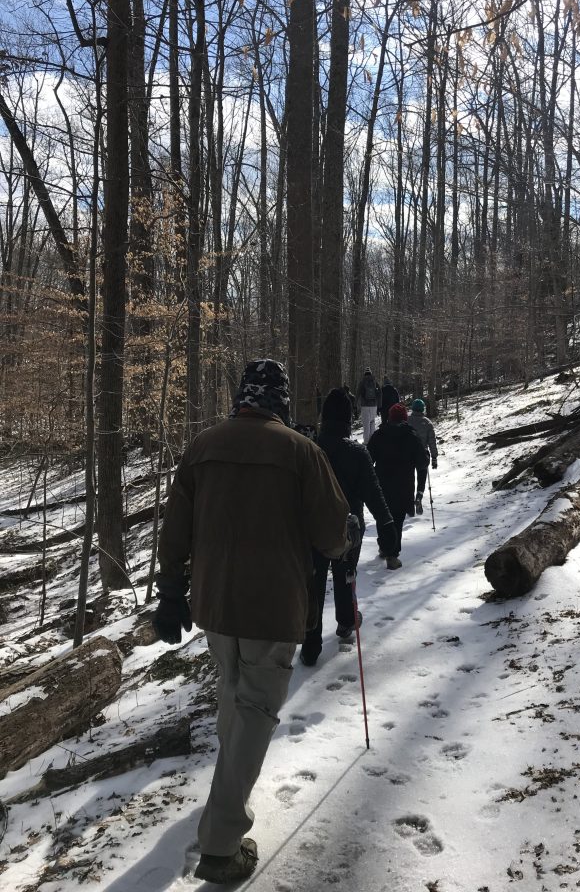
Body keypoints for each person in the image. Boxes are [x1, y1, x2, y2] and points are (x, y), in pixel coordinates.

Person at [153, 359, 349, 885]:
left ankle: (223, 798)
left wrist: (171, 591)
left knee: (234, 697)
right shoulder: (301, 452)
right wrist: (342, 537)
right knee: (255, 712)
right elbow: (332, 534)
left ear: (241, 398)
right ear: (281, 402)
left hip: (215, 606)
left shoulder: (202, 447)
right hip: (273, 607)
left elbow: (174, 531)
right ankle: (220, 844)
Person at [301, 388, 398, 666]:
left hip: (313, 531)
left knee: (315, 584)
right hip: (348, 531)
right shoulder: (357, 452)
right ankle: (345, 623)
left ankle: (311, 643)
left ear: (324, 417)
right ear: (348, 418)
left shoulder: (310, 450)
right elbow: (374, 492)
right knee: (346, 577)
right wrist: (387, 523)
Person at [367, 402, 429, 569]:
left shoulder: (379, 435)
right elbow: (422, 463)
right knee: (397, 520)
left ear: (389, 418)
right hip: (404, 486)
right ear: (404, 419)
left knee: (382, 517)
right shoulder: (411, 436)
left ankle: (384, 547)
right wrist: (427, 456)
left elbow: (368, 459)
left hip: (382, 485)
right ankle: (392, 555)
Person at [408, 398, 438, 515]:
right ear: (422, 409)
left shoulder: (407, 420)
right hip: (422, 454)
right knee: (422, 476)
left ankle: (409, 503)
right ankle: (419, 496)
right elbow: (432, 441)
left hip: (408, 454)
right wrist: (434, 457)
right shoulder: (427, 423)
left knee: (409, 478)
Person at [357, 368, 381, 443]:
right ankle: (372, 441)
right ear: (371, 373)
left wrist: (355, 405)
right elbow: (380, 393)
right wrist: (379, 406)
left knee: (366, 424)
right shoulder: (375, 382)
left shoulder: (362, 382)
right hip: (374, 406)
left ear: (365, 374)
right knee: (372, 423)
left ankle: (366, 442)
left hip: (365, 406)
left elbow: (358, 394)